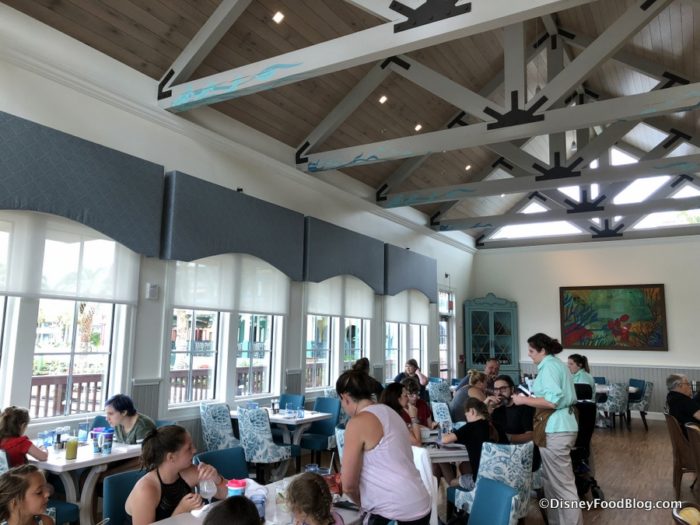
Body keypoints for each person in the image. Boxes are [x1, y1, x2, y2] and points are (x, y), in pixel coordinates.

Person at [336, 370, 431, 525]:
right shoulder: (390, 411)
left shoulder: (357, 422)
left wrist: (362, 504)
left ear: (345, 397)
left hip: (395, 510)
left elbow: (348, 485)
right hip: (420, 502)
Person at [512, 333, 582, 525]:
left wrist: (523, 400)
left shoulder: (549, 367)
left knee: (562, 485)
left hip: (557, 428)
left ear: (542, 350)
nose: (529, 354)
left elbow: (552, 401)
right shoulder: (556, 365)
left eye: (531, 351)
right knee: (551, 482)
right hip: (561, 426)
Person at [125, 425, 228, 524]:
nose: (195, 450)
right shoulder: (146, 490)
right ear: (171, 457)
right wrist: (181, 510)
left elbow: (228, 494)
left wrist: (217, 479)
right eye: (189, 448)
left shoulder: (189, 471)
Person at [438, 398, 501, 488]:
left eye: (466, 414)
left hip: (479, 481)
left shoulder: (469, 428)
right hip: (501, 479)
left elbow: (444, 440)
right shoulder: (496, 426)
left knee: (451, 481)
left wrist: (443, 430)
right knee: (464, 465)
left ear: (472, 411)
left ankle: (458, 491)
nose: (466, 417)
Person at [490, 375, 541, 471]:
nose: (499, 393)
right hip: (502, 454)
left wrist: (508, 437)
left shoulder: (524, 407)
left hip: (523, 455)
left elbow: (532, 436)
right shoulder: (496, 410)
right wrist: (487, 408)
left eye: (503, 389)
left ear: (512, 389)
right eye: (496, 390)